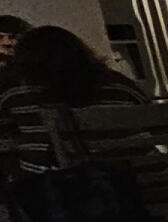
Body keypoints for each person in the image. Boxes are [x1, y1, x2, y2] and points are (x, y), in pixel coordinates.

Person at [0, 24, 146, 138]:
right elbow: (152, 119)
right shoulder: (119, 85)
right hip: (134, 165)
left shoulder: (18, 95)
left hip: (53, 167)